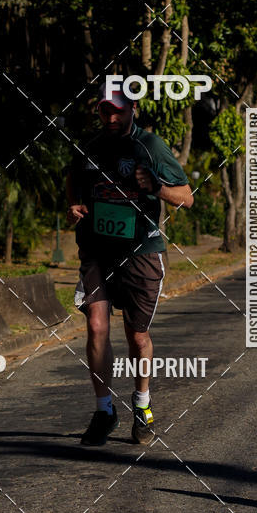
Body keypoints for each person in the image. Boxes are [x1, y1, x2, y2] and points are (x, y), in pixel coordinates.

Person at [66, 82, 193, 446]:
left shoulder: (149, 145)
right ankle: (104, 410)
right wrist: (74, 205)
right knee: (96, 325)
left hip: (140, 251)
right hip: (97, 249)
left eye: (118, 110)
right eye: (105, 110)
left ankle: (142, 404)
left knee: (137, 335)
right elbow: (72, 179)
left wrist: (156, 188)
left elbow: (187, 197)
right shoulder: (89, 146)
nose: (111, 117)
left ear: (132, 109)